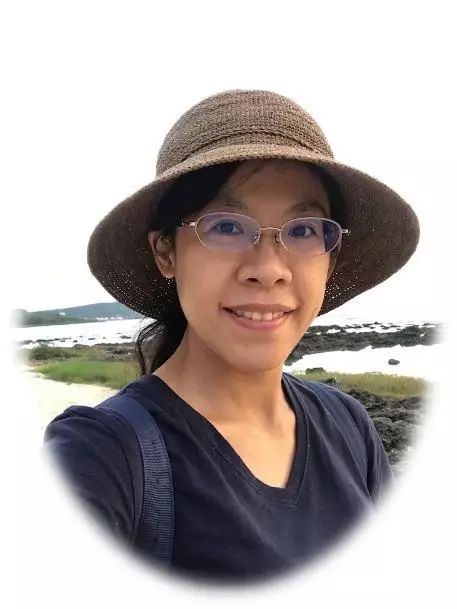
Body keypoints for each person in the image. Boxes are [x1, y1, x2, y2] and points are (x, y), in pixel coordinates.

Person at [43, 89, 420, 585]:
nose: (269, 269)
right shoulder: (101, 456)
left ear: (330, 257)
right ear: (166, 253)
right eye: (226, 226)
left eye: (303, 231)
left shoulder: (349, 425)